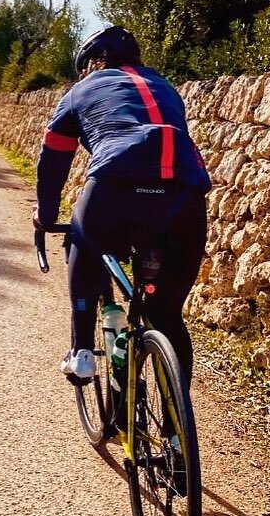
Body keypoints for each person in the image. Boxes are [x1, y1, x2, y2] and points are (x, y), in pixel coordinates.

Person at [33, 25, 211, 387]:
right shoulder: (165, 87)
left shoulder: (80, 91)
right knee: (166, 313)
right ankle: (178, 431)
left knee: (82, 240)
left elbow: (54, 158)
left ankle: (81, 350)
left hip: (115, 186)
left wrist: (45, 215)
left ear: (90, 63)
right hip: (185, 195)